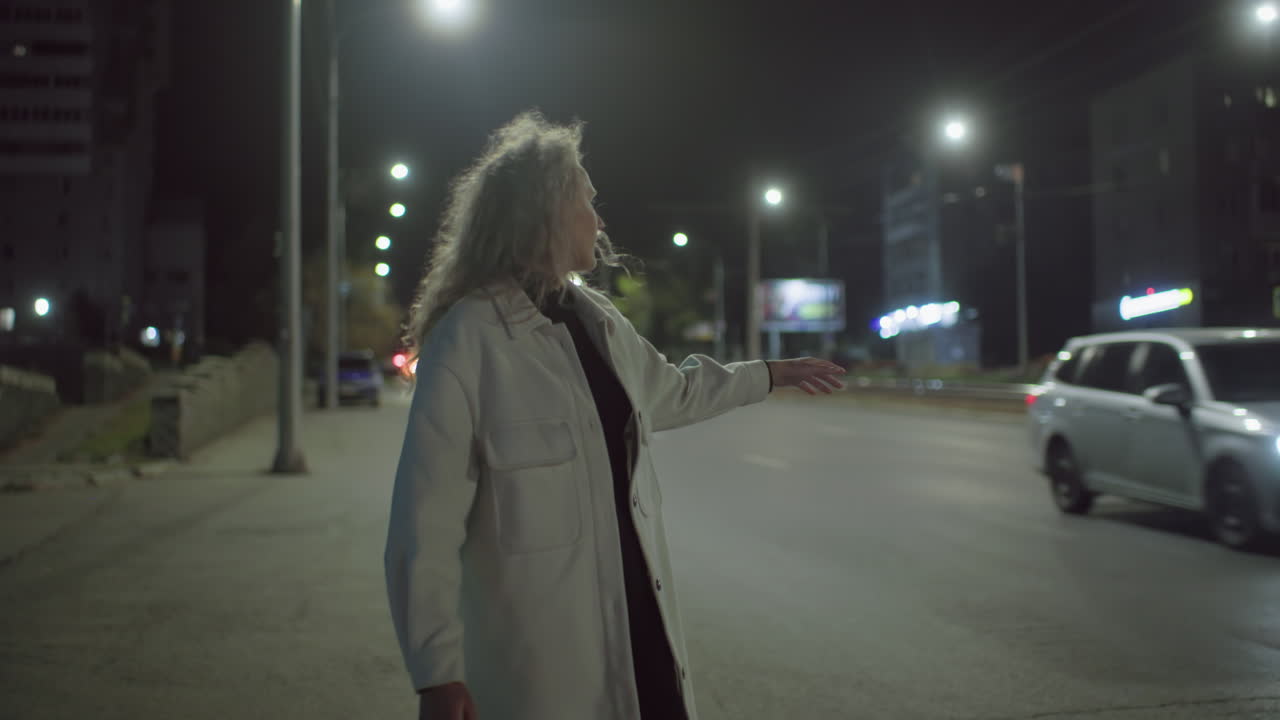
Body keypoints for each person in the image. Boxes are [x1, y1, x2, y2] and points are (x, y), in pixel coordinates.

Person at [384, 111, 847, 720]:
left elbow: (671, 393)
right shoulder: (468, 338)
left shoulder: (597, 319)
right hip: (541, 667)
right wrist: (437, 674)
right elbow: (424, 525)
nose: (599, 221)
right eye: (587, 202)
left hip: (638, 627)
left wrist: (766, 374)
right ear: (546, 210)